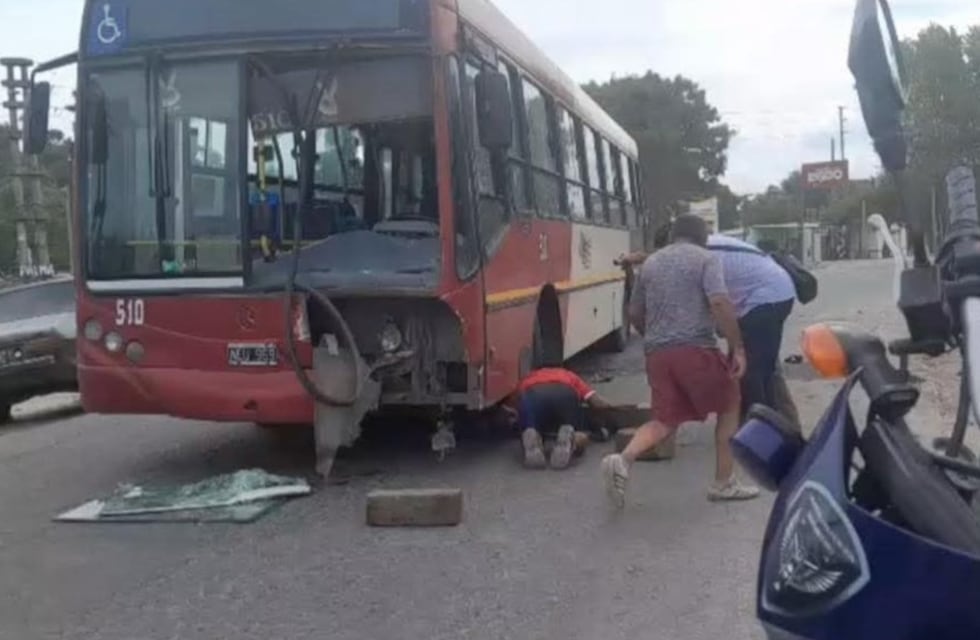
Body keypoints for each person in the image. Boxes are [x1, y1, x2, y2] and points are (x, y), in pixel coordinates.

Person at [603, 214, 759, 508]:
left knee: (665, 419)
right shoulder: (706, 259)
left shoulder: (650, 263)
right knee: (730, 404)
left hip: (657, 355)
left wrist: (656, 336)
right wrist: (737, 347)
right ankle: (723, 483)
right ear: (702, 237)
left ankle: (622, 460)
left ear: (674, 235)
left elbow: (635, 312)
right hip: (696, 349)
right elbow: (719, 302)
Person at [620, 230, 802, 432]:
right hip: (765, 294)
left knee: (753, 372)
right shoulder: (698, 247)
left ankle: (761, 431)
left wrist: (735, 342)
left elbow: (717, 302)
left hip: (767, 297)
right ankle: (779, 423)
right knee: (761, 365)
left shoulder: (699, 254)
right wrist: (636, 258)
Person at [510, 365, 613, 470]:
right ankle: (572, 440)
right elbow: (596, 402)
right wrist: (609, 411)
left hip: (532, 394)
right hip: (564, 393)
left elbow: (514, 406)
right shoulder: (569, 375)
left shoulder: (528, 378)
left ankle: (533, 435)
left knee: (529, 425)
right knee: (579, 432)